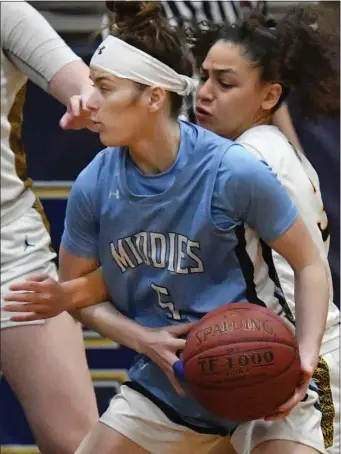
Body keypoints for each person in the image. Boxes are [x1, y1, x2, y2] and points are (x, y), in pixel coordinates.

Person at [3, 2, 330, 454]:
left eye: (103, 88)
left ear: (154, 97)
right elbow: (87, 288)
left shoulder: (237, 168)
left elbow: (310, 263)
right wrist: (91, 311)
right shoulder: (95, 183)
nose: (88, 100)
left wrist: (308, 358)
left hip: (258, 365)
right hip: (173, 379)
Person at [193, 9, 340, 453]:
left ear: (269, 95)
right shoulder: (269, 147)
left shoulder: (247, 162)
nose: (204, 93)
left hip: (296, 362)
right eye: (203, 77)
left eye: (225, 83)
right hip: (260, 354)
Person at [0, 2, 99, 453]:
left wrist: (84, 98)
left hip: (9, 254)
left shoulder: (7, 13)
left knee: (78, 444)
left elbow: (78, 80)